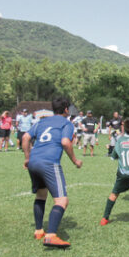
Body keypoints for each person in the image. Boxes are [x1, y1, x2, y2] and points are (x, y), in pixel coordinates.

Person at [22, 97, 82, 248]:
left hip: (34, 161)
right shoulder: (66, 123)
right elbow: (65, 142)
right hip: (49, 163)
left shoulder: (42, 122)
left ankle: (38, 230)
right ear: (66, 110)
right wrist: (75, 161)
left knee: (41, 194)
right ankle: (51, 235)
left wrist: (27, 158)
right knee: (62, 201)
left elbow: (25, 137)